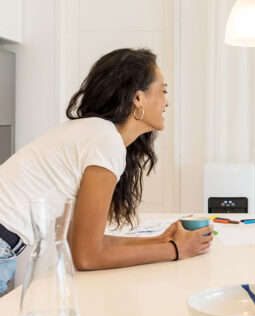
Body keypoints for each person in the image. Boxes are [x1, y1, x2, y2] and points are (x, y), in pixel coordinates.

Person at [0, 48, 213, 294]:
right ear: (138, 98)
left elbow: (82, 244)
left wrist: (162, 240)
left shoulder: (94, 133)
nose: (167, 101)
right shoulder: (105, 140)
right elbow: (87, 257)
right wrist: (176, 251)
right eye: (163, 91)